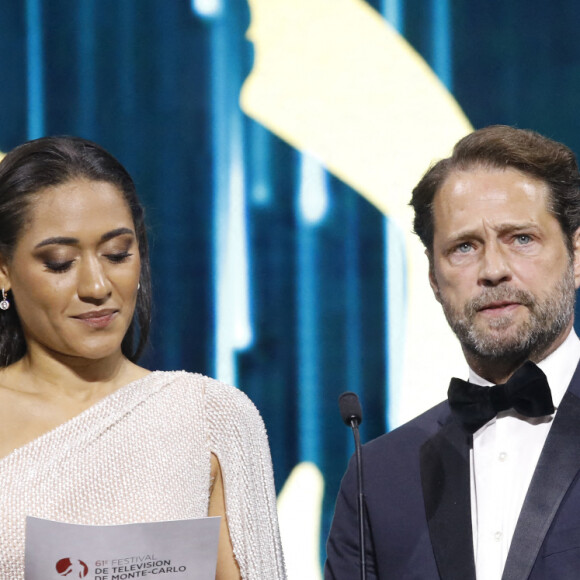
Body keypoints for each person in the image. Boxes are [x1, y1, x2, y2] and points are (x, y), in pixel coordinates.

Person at [0, 136, 286, 579]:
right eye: (59, 262)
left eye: (117, 254)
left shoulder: (211, 415)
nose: (96, 286)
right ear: (4, 271)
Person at [325, 125, 580, 579]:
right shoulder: (378, 478)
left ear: (576, 256)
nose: (494, 270)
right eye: (464, 247)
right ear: (432, 278)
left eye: (521, 238)